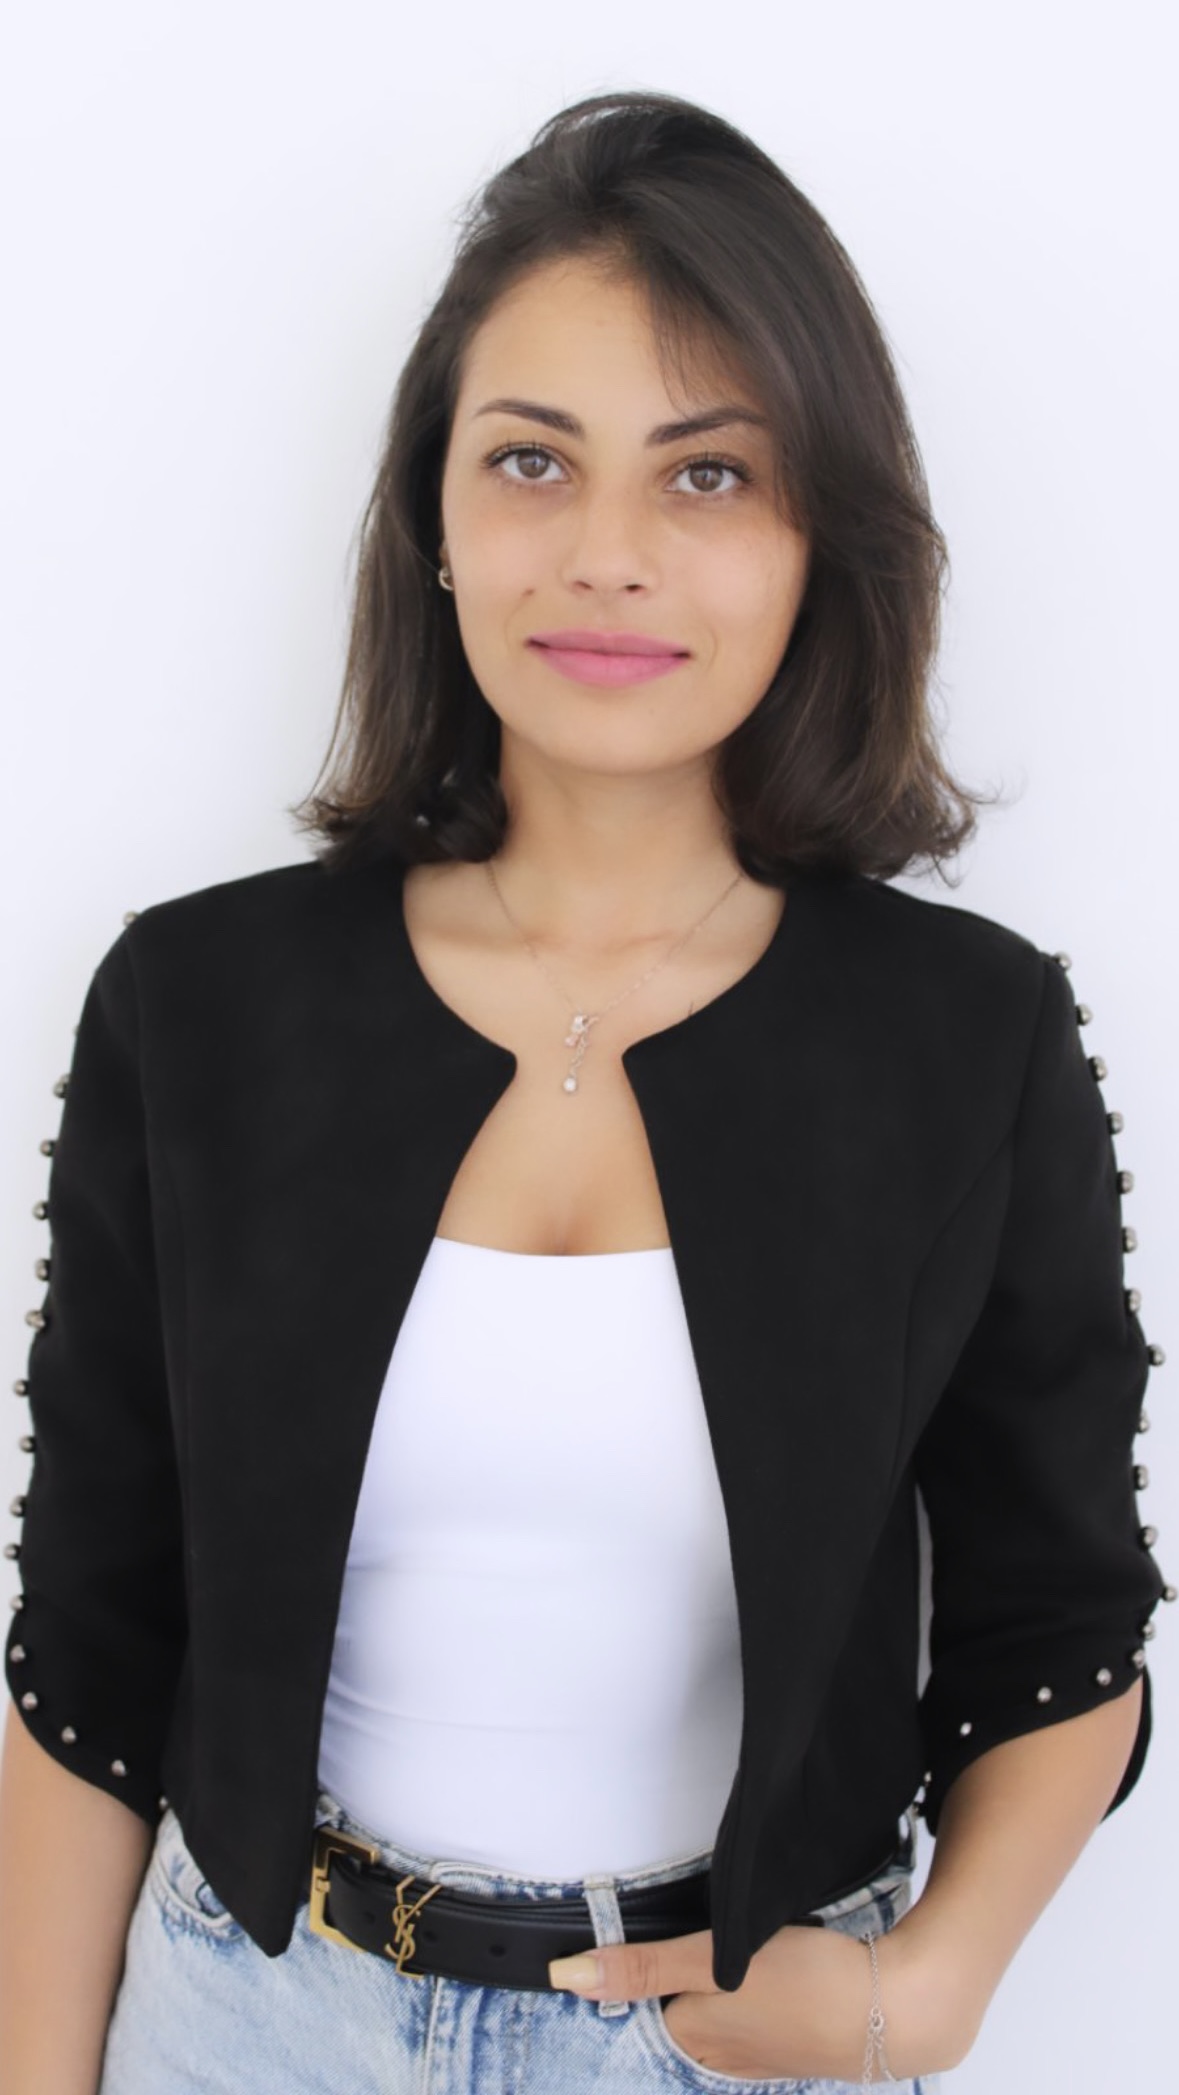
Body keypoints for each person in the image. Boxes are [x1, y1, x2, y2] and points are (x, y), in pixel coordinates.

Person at [0, 87, 1167, 2095]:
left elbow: (1053, 1617)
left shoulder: (963, 1039)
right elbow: (93, 1637)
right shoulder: (196, 1003)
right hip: (251, 2015)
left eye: (705, 475)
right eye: (530, 461)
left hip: (727, 2039)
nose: (607, 555)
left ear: (820, 535)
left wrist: (923, 1992)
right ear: (434, 522)